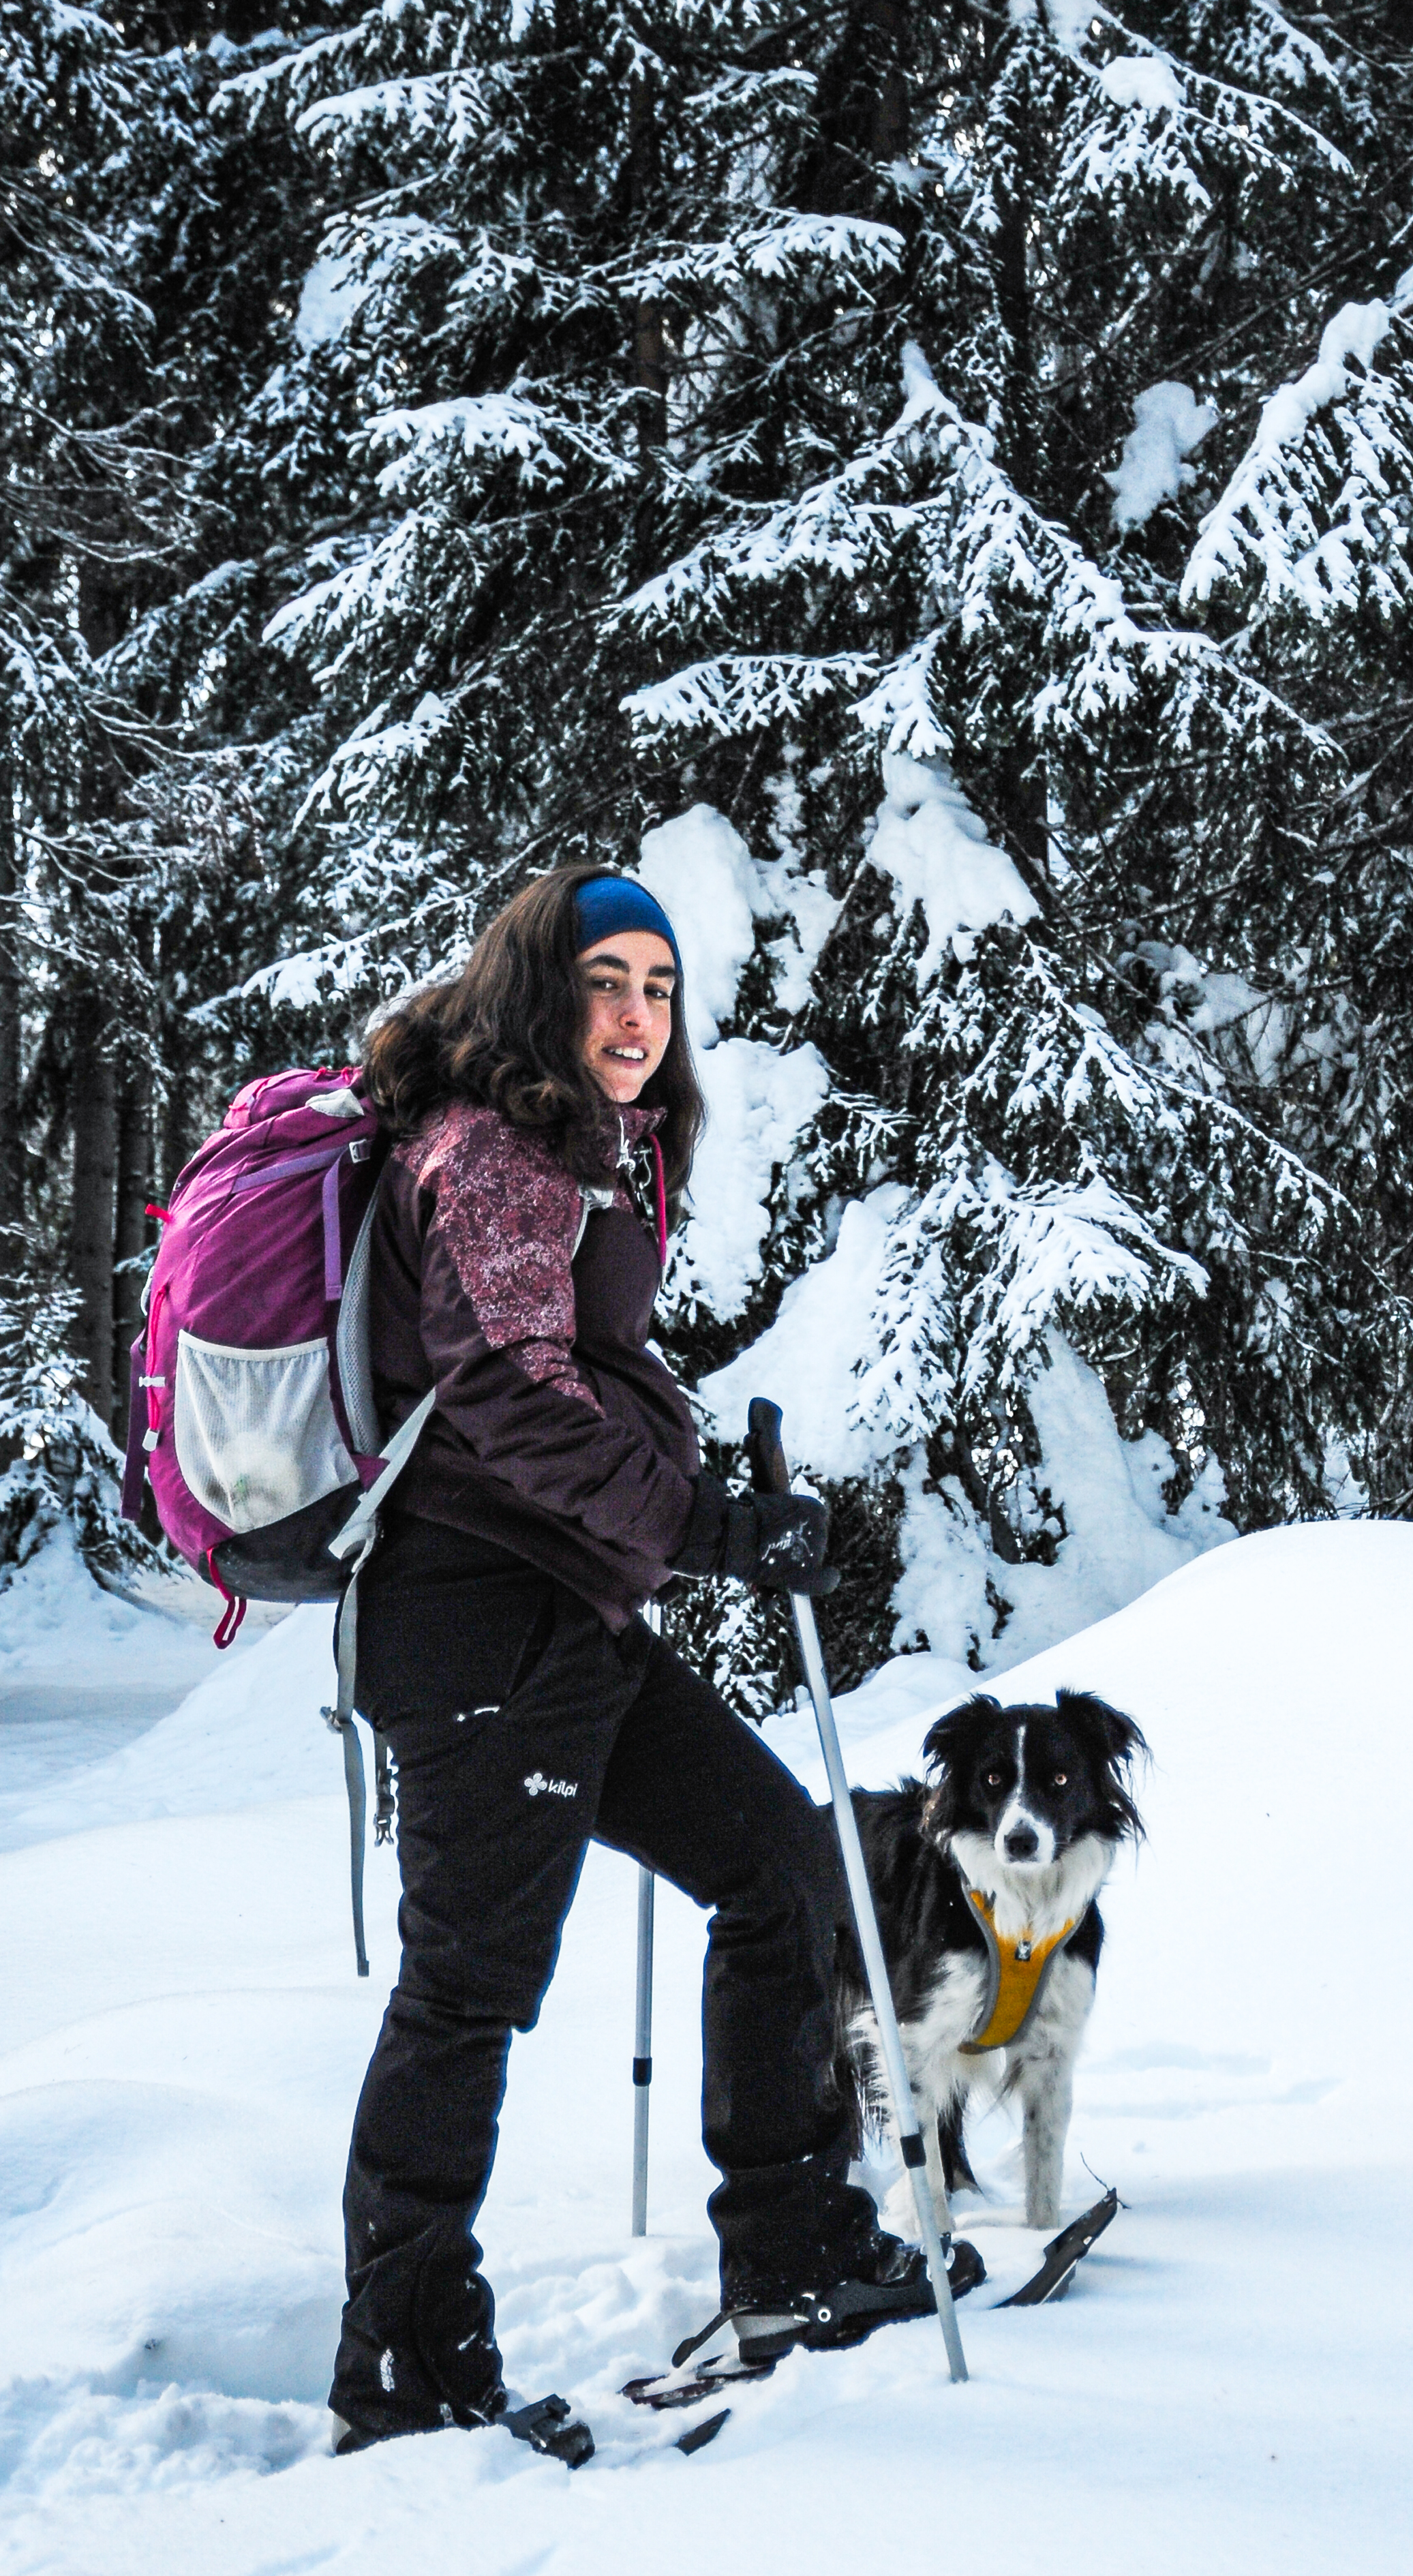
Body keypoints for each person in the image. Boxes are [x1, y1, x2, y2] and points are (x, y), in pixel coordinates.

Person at [329, 862, 977, 2452]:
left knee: (783, 1869)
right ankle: (404, 2362)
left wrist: (706, 1498)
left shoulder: (583, 1149)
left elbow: (583, 1367)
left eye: (658, 987)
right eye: (603, 981)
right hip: (480, 1618)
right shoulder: (488, 1149)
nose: (633, 1014)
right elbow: (509, 1397)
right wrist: (700, 1524)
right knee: (468, 1988)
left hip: (571, 1615)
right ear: (538, 991)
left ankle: (792, 2250)